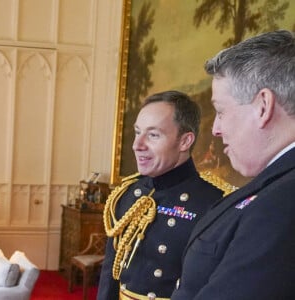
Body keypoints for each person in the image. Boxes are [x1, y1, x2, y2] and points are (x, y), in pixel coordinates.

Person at [171, 30, 295, 300]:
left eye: (221, 111)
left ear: (263, 106)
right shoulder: (276, 186)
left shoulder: (282, 203)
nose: (215, 129)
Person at [97, 90, 224, 299]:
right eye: (138, 132)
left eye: (153, 135)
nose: (137, 145)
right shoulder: (127, 193)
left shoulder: (214, 202)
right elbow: (110, 273)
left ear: (185, 142)